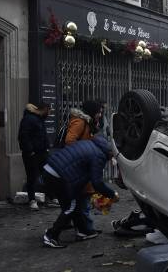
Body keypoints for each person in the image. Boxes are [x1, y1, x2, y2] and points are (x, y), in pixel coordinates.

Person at [42, 136, 118, 248]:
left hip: (51, 170)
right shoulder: (99, 156)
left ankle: (83, 231)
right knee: (70, 207)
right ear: (111, 152)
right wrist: (112, 194)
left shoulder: (91, 144)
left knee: (74, 203)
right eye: (114, 155)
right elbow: (97, 182)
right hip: (58, 176)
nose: (112, 158)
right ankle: (51, 235)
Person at [65, 100, 102, 234]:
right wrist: (85, 152)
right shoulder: (80, 122)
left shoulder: (89, 123)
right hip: (78, 166)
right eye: (99, 111)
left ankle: (84, 227)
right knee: (83, 199)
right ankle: (86, 229)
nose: (100, 114)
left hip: (82, 166)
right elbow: (69, 141)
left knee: (83, 198)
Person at [18, 102, 50, 210]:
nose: (49, 113)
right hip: (32, 154)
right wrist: (30, 151)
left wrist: (46, 147)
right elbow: (23, 136)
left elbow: (43, 135)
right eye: (49, 110)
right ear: (44, 109)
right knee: (32, 177)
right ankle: (32, 200)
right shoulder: (29, 119)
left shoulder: (39, 119)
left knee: (48, 174)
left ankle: (51, 197)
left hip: (42, 153)